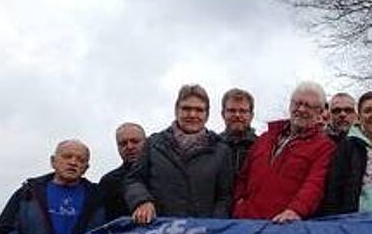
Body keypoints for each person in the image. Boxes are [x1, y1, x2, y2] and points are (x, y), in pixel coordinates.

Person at [125, 84, 234, 224]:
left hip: (203, 232)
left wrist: (214, 225)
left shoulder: (221, 150)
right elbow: (134, 180)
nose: (192, 115)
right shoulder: (153, 144)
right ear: (176, 110)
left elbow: (225, 197)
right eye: (186, 109)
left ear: (207, 115)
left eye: (199, 110)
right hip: (160, 229)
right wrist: (142, 201)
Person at [233, 81, 336, 222]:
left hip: (283, 225)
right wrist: (239, 203)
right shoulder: (265, 138)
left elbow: (315, 183)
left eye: (308, 106)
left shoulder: (324, 147)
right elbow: (243, 176)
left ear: (319, 112)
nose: (301, 109)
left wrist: (296, 210)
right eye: (297, 103)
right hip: (246, 222)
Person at [98, 123, 146, 221]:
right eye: (123, 144)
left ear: (146, 142)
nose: (129, 147)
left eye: (135, 141)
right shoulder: (108, 182)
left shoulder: (162, 174)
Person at [219, 88, 257, 175]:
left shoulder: (261, 148)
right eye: (232, 110)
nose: (237, 115)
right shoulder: (212, 147)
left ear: (251, 115)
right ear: (223, 114)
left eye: (243, 111)